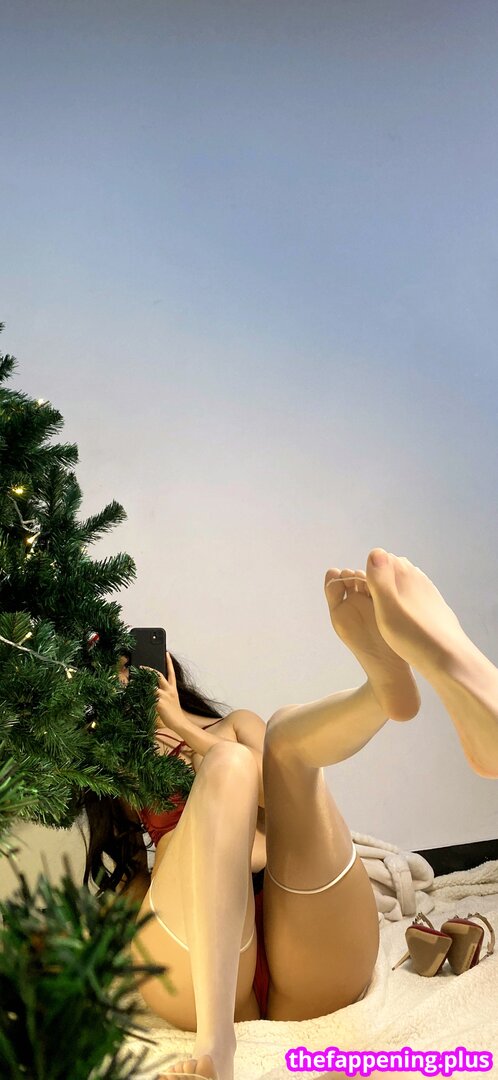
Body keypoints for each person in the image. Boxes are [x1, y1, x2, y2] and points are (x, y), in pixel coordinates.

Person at [85, 546, 498, 1080]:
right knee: (230, 764)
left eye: (134, 674)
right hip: (196, 956)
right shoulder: (121, 768)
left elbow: (270, 796)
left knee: (279, 742)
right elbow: (134, 874)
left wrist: (185, 730)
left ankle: (381, 692)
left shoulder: (231, 726)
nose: (130, 691)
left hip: (304, 937)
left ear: (166, 670)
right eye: (114, 691)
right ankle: (216, 1046)